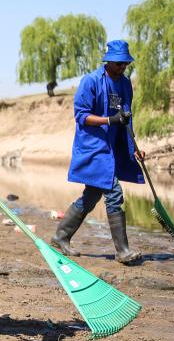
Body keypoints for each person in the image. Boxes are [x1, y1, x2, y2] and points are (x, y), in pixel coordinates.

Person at [50, 40, 145, 264]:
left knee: (91, 196)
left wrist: (135, 148)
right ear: (108, 61)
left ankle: (60, 236)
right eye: (119, 63)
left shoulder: (125, 84)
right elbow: (81, 116)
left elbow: (126, 120)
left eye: (126, 63)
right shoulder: (91, 81)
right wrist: (109, 120)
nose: (123, 67)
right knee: (114, 193)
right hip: (94, 147)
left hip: (113, 148)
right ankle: (122, 251)